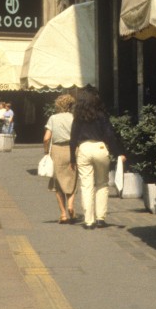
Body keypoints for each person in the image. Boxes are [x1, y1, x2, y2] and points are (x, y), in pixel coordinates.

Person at [69, 88, 125, 229]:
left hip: (83, 148)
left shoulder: (78, 117)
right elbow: (110, 135)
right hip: (100, 148)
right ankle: (100, 218)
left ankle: (89, 221)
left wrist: (72, 159)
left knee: (86, 185)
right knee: (102, 184)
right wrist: (118, 153)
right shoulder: (101, 115)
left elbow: (73, 138)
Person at [41, 93, 77, 224]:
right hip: (73, 150)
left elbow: (46, 138)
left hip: (57, 150)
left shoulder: (53, 118)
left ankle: (63, 214)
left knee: (58, 184)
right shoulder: (74, 118)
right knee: (73, 179)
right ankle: (71, 205)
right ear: (71, 105)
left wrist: (46, 151)